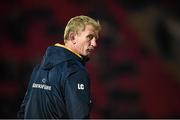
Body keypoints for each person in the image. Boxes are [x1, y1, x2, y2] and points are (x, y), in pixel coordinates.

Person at [17, 15, 101, 119]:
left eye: (96, 39)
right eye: (90, 37)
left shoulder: (39, 69)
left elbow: (23, 112)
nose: (94, 44)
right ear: (72, 37)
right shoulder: (75, 71)